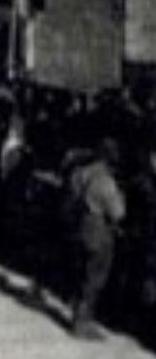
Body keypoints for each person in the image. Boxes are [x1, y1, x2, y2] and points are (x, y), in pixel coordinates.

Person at [66, 140, 126, 338]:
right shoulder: (106, 181)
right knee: (95, 278)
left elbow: (72, 194)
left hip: (80, 225)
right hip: (99, 229)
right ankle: (83, 325)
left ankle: (75, 316)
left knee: (80, 272)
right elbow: (118, 213)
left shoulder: (81, 173)